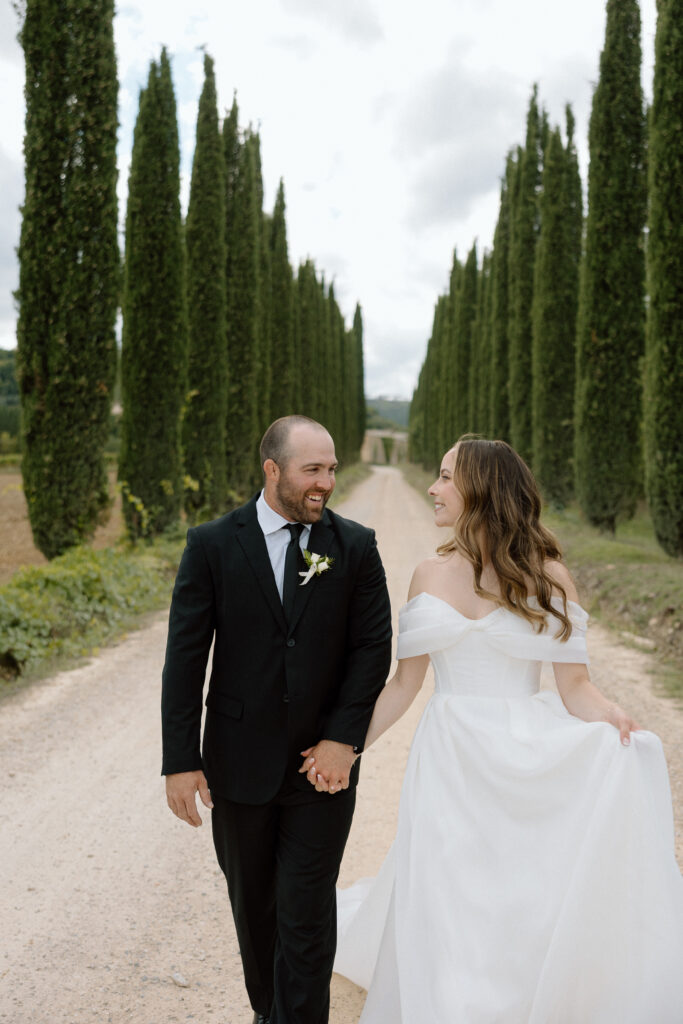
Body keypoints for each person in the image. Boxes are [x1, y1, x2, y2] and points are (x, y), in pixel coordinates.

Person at [325, 436, 683, 1023]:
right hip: (450, 752)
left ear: (482, 491)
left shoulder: (550, 578)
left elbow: (574, 687)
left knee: (519, 889)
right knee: (447, 885)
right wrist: (347, 747)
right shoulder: (428, 574)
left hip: (527, 753)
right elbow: (403, 684)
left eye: (445, 478)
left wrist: (614, 717)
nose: (434, 489)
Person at [161, 415, 392, 1024]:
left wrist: (344, 739)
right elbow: (185, 659)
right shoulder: (210, 544)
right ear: (272, 469)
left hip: (323, 769)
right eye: (312, 469)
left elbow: (373, 650)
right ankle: (272, 1015)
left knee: (307, 910)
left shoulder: (356, 546)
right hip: (239, 763)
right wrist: (181, 760)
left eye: (332, 469)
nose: (325, 482)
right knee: (256, 909)